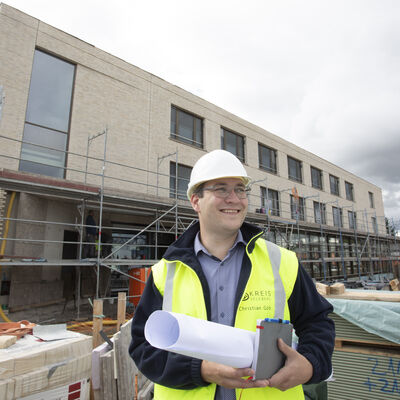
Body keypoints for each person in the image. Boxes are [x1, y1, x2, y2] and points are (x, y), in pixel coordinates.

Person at [129, 150, 335, 400]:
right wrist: (201, 370)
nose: (234, 199)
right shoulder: (165, 272)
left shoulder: (282, 262)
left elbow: (317, 323)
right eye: (221, 189)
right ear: (196, 201)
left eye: (240, 189)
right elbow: (144, 347)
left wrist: (310, 364)